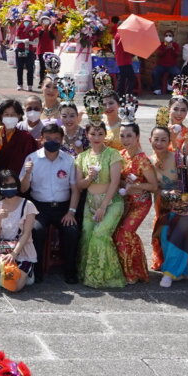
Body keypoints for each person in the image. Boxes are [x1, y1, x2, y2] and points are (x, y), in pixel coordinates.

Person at [20, 122, 78, 284]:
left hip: (62, 208)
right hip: (39, 208)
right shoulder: (32, 159)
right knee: (36, 231)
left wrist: (71, 212)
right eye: (48, 138)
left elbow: (75, 188)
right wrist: (27, 173)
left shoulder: (69, 160)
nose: (52, 141)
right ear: (41, 139)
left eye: (56, 139)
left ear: (62, 140)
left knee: (72, 231)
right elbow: (23, 188)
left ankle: (70, 271)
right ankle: (36, 272)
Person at [75, 121, 125, 289]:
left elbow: (115, 182)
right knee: (87, 233)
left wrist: (104, 206)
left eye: (100, 134)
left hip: (111, 202)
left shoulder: (113, 154)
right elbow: (79, 185)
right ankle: (86, 273)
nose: (96, 137)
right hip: (90, 202)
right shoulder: (82, 157)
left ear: (105, 135)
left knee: (99, 234)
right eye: (92, 134)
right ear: (87, 135)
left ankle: (104, 276)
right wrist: (89, 177)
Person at [146, 125, 188, 288]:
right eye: (156, 139)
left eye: (163, 140)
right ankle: (182, 269)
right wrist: (165, 193)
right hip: (163, 205)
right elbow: (152, 186)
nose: (159, 143)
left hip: (184, 204)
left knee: (178, 237)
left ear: (169, 141)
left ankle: (170, 273)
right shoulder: (149, 162)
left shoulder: (178, 158)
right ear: (150, 140)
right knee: (165, 237)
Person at [112, 123, 155, 284]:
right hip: (124, 201)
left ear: (137, 137)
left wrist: (135, 186)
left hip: (140, 203)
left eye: (129, 135)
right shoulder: (120, 155)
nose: (125, 139)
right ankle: (127, 269)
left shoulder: (143, 160)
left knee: (124, 233)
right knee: (118, 233)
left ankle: (134, 272)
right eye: (122, 135)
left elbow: (153, 186)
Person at [151, 30, 181, 94]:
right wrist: (166, 49)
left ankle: (170, 84)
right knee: (155, 72)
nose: (168, 37)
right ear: (164, 37)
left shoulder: (175, 45)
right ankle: (157, 88)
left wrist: (172, 49)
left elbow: (177, 54)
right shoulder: (161, 44)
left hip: (172, 65)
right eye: (166, 35)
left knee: (178, 72)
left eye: (170, 35)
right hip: (162, 65)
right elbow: (159, 54)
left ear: (172, 37)